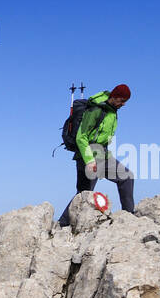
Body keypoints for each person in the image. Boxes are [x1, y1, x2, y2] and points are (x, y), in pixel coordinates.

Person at [57, 84, 134, 227]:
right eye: (122, 101)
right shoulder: (96, 110)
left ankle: (129, 217)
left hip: (102, 154)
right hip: (87, 156)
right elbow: (81, 137)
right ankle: (62, 224)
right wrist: (89, 160)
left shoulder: (112, 110)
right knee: (83, 194)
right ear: (115, 97)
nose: (123, 104)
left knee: (126, 176)